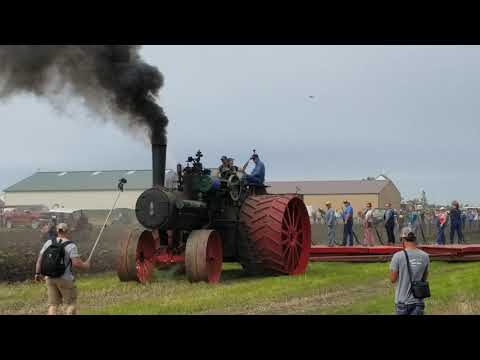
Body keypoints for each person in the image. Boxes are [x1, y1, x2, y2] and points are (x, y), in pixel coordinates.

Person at [35, 223, 91, 315]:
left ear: (57, 231)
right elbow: (77, 264)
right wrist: (86, 265)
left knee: (53, 305)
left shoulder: (48, 242)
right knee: (71, 304)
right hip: (65, 279)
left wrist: (37, 273)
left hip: (49, 278)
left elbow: (39, 260)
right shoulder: (71, 245)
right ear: (67, 231)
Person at [390, 226, 430, 315]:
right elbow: (424, 278)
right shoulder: (425, 256)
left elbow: (393, 279)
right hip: (418, 301)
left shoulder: (398, 256)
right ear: (415, 239)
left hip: (402, 302)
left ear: (403, 240)